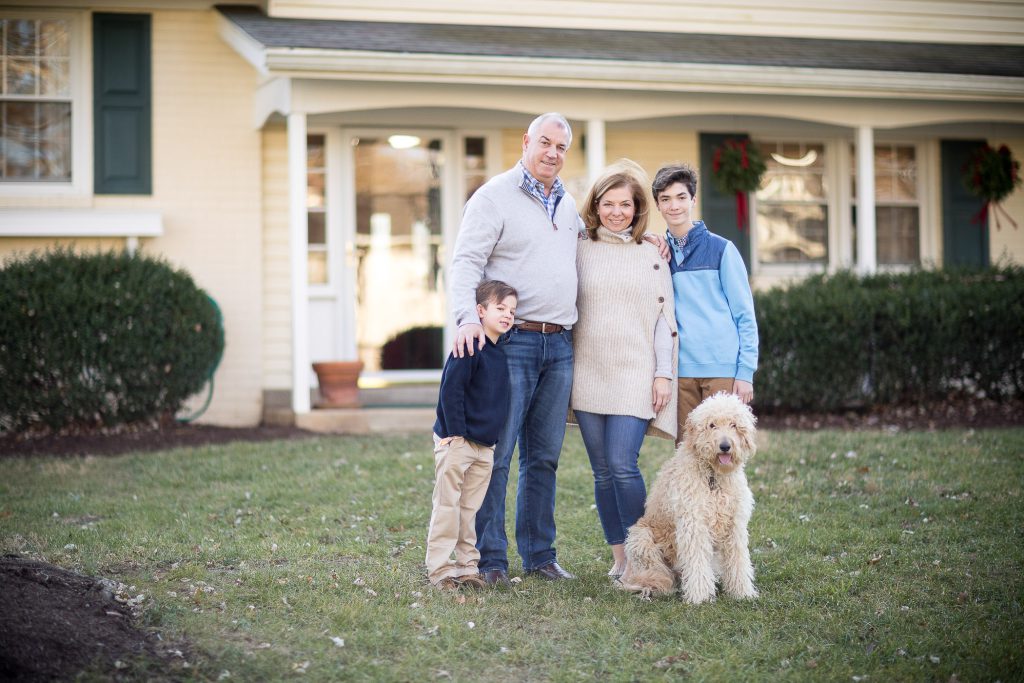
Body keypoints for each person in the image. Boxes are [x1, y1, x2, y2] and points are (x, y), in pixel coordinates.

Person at [448, 113, 582, 585]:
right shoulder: (493, 197)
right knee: (497, 456)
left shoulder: (568, 205)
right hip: (513, 343)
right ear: (527, 141)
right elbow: (466, 261)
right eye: (545, 143)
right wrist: (467, 318)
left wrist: (647, 242)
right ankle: (491, 560)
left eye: (561, 147)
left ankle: (540, 556)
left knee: (543, 456)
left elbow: (597, 249)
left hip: (559, 345)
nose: (552, 153)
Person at [570, 160, 678, 580]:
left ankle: (643, 555)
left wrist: (662, 374)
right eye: (608, 203)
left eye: (626, 204)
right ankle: (620, 558)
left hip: (635, 372)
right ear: (596, 206)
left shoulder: (651, 253)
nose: (617, 212)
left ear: (637, 208)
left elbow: (664, 320)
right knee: (601, 471)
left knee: (622, 464)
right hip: (588, 371)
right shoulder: (578, 247)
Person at [652, 163, 759, 444]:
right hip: (681, 370)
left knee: (724, 451)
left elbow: (745, 316)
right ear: (657, 205)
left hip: (721, 370)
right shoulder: (657, 254)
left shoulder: (722, 249)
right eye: (665, 199)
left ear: (693, 200)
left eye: (681, 197)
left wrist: (745, 372)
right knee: (688, 452)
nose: (674, 206)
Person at [426, 280, 518, 590]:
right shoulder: (469, 346)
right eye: (500, 308)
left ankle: (467, 567)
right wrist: (454, 434)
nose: (507, 315)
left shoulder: (499, 354)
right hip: (458, 442)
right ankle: (440, 570)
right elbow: (451, 390)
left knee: (470, 510)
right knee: (448, 507)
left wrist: (489, 442)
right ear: (480, 310)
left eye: (512, 311)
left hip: (484, 447)